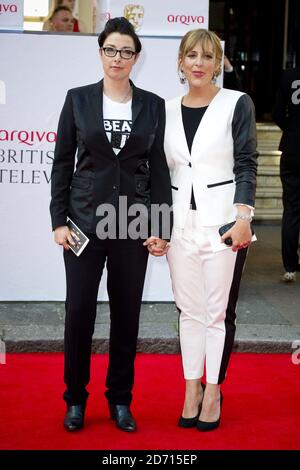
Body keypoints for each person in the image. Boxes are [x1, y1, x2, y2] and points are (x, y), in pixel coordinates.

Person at [50, 17, 172, 433]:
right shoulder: (78, 100)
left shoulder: (153, 105)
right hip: (84, 221)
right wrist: (58, 221)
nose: (117, 58)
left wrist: (161, 226)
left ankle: (120, 399)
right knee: (78, 312)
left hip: (134, 222)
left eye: (125, 51)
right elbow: (63, 163)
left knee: (126, 316)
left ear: (136, 58)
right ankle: (75, 400)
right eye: (110, 50)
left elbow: (157, 170)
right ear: (99, 52)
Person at [163, 29, 257, 431]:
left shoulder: (237, 103)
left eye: (207, 56)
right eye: (191, 55)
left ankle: (214, 390)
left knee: (217, 315)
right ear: (181, 62)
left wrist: (243, 218)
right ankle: (191, 389)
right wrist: (156, 225)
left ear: (218, 62)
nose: (198, 63)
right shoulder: (163, 109)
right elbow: (155, 171)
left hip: (223, 227)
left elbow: (247, 162)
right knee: (189, 312)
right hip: (180, 227)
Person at [273, 67, 300, 282]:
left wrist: (292, 128)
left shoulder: (288, 75)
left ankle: (290, 266)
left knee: (291, 209)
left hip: (291, 148)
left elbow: (278, 114)